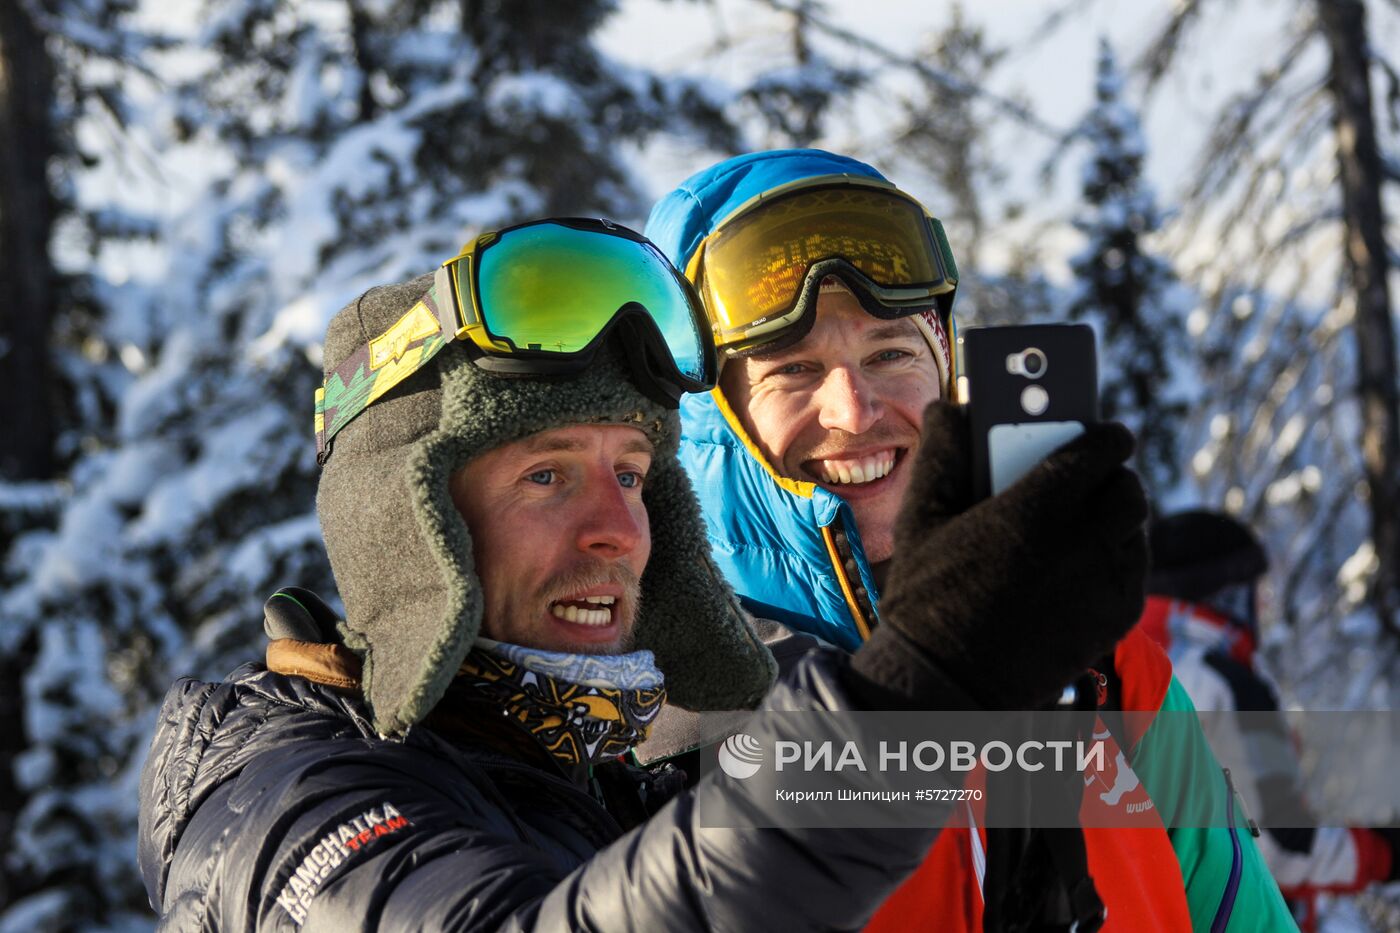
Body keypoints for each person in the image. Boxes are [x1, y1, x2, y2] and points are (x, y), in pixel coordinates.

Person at [136, 217, 1144, 931]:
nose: (619, 528)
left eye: (631, 473)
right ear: (406, 524)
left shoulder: (596, 775)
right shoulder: (286, 803)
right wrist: (917, 688)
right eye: (545, 475)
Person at [644, 149, 1296, 931]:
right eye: (793, 370)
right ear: (711, 418)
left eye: (889, 353)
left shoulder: (1108, 673)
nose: (855, 409)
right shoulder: (652, 713)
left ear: (945, 366)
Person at [1142, 509, 1400, 930]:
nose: (1261, 604)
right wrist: (1383, 851)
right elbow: (1280, 846)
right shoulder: (1229, 684)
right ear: (1221, 593)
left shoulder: (1113, 672)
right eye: (1251, 590)